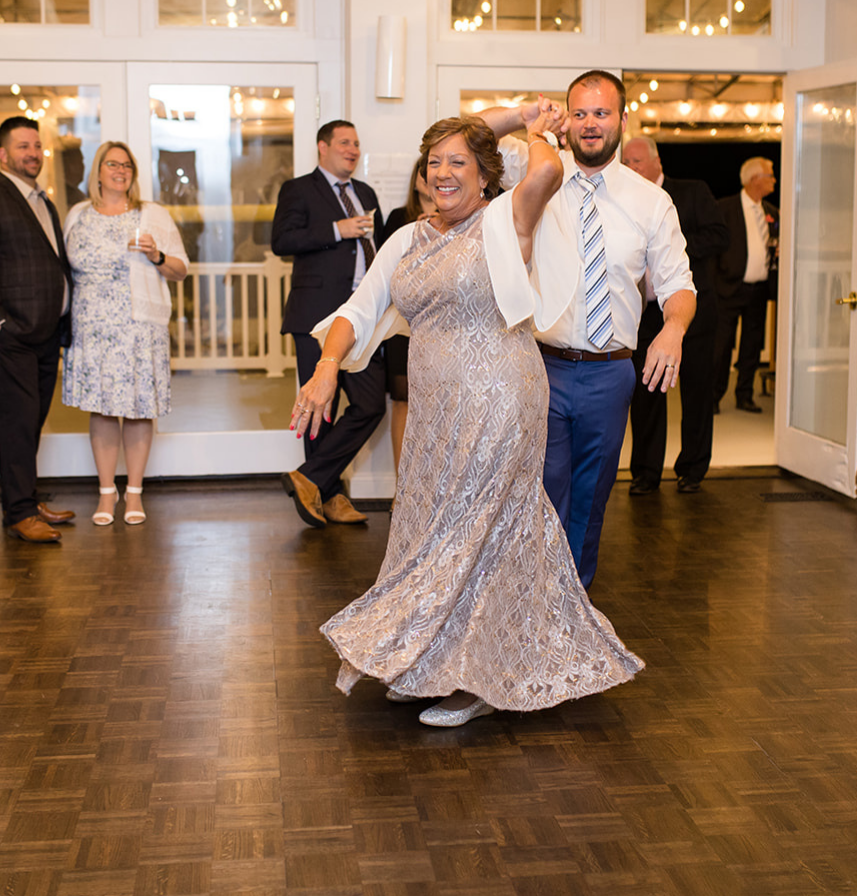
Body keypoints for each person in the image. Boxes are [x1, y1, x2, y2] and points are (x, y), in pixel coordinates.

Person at [297, 108, 642, 728]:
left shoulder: (508, 222)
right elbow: (359, 306)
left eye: (461, 162)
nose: (444, 172)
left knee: (482, 524)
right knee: (434, 526)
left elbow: (545, 169)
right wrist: (327, 365)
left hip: (503, 397)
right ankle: (432, 658)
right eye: (434, 162)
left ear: (487, 175)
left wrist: (533, 123)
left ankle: (484, 674)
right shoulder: (406, 237)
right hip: (434, 408)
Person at [481, 72, 696, 589]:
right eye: (580, 113)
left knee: (591, 497)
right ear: (568, 121)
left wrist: (673, 330)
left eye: (602, 113)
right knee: (539, 491)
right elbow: (465, 138)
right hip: (541, 367)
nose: (590, 124)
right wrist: (523, 119)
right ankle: (531, 599)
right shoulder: (537, 174)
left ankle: (573, 605)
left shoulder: (651, 203)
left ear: (622, 120)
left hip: (610, 374)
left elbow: (678, 286)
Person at [0, 116, 76, 544]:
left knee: (32, 420)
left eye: (36, 146)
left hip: (46, 332)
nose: (32, 153)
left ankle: (27, 499)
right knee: (17, 420)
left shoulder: (42, 202)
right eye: (23, 146)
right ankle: (19, 514)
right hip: (11, 335)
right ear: (3, 154)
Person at [61, 142, 187, 527]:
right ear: (97, 171)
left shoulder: (153, 215)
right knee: (101, 408)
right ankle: (105, 493)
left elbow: (181, 269)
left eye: (127, 165)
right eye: (112, 164)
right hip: (91, 324)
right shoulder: (78, 215)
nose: (120, 170)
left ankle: (133, 492)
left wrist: (157, 257)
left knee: (137, 407)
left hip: (137, 325)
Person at [271, 120, 386, 528]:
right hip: (315, 313)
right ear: (323, 147)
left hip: (363, 317)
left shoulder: (367, 193)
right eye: (344, 143)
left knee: (370, 404)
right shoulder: (298, 189)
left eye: (356, 143)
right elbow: (281, 241)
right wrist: (337, 230)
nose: (352, 149)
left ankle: (310, 480)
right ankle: (331, 497)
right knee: (321, 407)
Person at [620, 136, 728, 495]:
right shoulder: (623, 200)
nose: (630, 168)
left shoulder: (692, 192)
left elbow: (719, 235)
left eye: (636, 161)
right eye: (626, 162)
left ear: (656, 162)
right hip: (645, 316)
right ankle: (645, 473)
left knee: (697, 394)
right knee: (646, 396)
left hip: (692, 314)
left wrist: (671, 248)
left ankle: (692, 470)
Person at [380, 159, 436, 476]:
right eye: (426, 170)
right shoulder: (398, 218)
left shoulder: (458, 218)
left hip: (441, 324)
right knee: (402, 401)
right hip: (403, 323)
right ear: (416, 180)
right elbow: (388, 271)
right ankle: (401, 489)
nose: (432, 177)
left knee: (439, 404)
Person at [714, 157, 778, 415]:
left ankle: (745, 395)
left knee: (752, 345)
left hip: (758, 290)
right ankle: (713, 397)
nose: (774, 180)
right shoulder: (724, 208)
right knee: (721, 346)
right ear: (755, 180)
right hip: (728, 288)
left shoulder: (771, 211)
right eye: (770, 175)